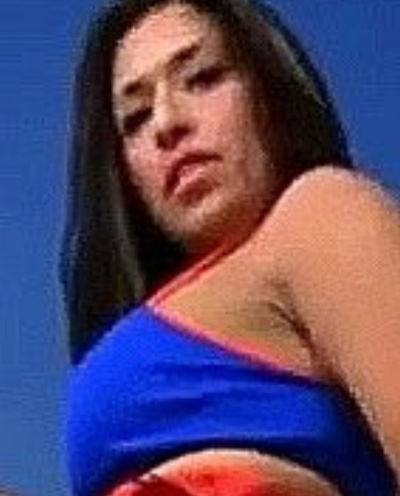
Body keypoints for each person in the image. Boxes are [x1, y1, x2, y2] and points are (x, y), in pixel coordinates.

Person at [61, 0, 400, 495]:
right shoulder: (154, 321)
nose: (166, 123)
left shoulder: (318, 212)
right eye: (135, 118)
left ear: (268, 93)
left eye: (202, 78)